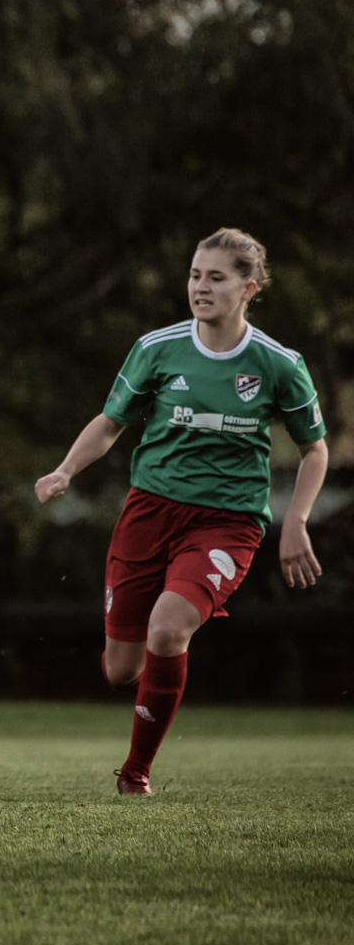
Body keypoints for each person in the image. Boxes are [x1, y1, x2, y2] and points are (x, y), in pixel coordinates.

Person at [36, 228, 328, 795]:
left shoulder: (279, 364)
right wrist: (65, 470)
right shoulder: (157, 348)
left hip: (228, 522)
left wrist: (295, 520)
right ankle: (151, 685)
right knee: (120, 670)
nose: (200, 286)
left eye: (216, 277)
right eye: (195, 275)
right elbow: (110, 423)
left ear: (250, 286)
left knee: (168, 630)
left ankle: (134, 772)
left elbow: (315, 449)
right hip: (148, 513)